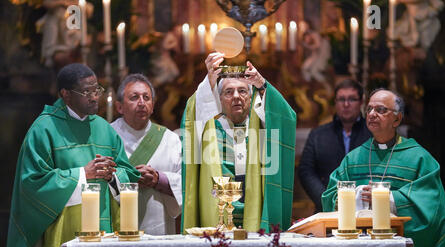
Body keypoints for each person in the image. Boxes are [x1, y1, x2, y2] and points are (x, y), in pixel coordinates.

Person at [2, 63, 140, 247]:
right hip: (62, 234)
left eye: (96, 89)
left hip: (103, 230)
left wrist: (112, 176)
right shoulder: (44, 128)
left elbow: (126, 174)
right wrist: (82, 174)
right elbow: (32, 183)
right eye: (86, 92)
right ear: (65, 94)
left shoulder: (104, 129)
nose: (94, 96)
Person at [322, 88, 445, 247]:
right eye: (369, 108)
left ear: (397, 119)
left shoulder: (418, 158)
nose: (372, 114)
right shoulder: (354, 158)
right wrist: (356, 195)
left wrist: (388, 199)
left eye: (381, 110)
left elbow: (432, 206)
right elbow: (330, 197)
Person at [181, 52, 297, 233]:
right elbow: (194, 112)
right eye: (228, 92)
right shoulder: (207, 128)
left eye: (242, 91)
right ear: (218, 99)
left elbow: (285, 117)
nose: (236, 96)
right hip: (216, 214)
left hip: (256, 213)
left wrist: (262, 85)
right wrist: (209, 82)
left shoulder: (262, 126)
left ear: (251, 98)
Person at [111, 74, 182, 235]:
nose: (141, 103)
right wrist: (127, 179)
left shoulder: (170, 139)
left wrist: (159, 179)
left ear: (153, 105)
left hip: (159, 226)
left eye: (146, 97)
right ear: (119, 107)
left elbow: (186, 183)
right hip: (117, 228)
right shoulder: (106, 137)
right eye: (134, 97)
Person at [298, 79, 371, 212]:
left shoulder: (372, 133)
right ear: (335, 103)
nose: (346, 104)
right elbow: (306, 171)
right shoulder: (318, 134)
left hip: (365, 208)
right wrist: (327, 200)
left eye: (352, 99)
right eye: (341, 99)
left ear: (361, 102)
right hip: (326, 209)